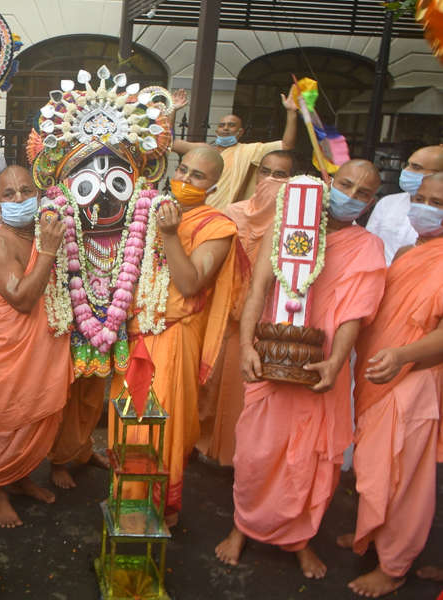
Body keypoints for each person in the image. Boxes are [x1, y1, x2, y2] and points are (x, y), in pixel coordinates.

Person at [216, 159, 387, 579]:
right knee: (257, 453)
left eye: (363, 193)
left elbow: (355, 314)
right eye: (346, 184)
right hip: (272, 357)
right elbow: (258, 289)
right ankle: (243, 527)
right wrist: (247, 346)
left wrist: (335, 360)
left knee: (310, 464)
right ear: (330, 182)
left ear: (370, 203)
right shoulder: (289, 227)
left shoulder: (367, 247)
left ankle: (298, 539)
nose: (352, 195)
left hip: (322, 366)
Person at [123, 146, 246, 526]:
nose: (186, 180)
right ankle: (126, 503)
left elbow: (191, 283)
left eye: (198, 177)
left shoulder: (218, 227)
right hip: (135, 334)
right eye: (184, 170)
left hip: (174, 337)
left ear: (214, 185)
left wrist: (170, 235)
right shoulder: (150, 209)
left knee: (160, 428)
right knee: (127, 425)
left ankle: (157, 509)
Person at [336, 173, 443, 598]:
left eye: (437, 201)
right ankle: (373, 534)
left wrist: (402, 355)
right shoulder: (412, 251)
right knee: (375, 470)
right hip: (379, 376)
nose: (425, 206)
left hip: (415, 380)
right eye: (420, 198)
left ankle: (394, 566)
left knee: (402, 479)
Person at [0, 165, 71, 528]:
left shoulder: (45, 233)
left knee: (35, 419)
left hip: (44, 348)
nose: (19, 199)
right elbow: (22, 300)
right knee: (4, 420)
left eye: (25, 191)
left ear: (39, 195)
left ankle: (20, 478)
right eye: (8, 194)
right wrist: (47, 252)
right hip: (9, 354)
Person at [197, 150, 295, 465]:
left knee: (246, 391)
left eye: (280, 175)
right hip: (222, 314)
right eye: (265, 172)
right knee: (210, 383)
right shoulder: (232, 212)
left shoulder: (295, 223)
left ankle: (239, 455)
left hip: (265, 317)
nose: (270, 180)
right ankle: (200, 442)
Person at [172, 86, 298, 210]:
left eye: (231, 125)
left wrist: (291, 112)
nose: (226, 128)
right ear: (217, 131)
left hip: (223, 216)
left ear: (240, 132)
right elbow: (170, 143)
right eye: (222, 125)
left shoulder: (249, 151)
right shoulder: (205, 150)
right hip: (193, 209)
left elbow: (286, 145)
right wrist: (172, 110)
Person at [366, 145, 443, 264]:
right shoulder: (388, 203)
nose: (407, 170)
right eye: (408, 165)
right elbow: (369, 244)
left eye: (416, 167)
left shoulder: (437, 214)